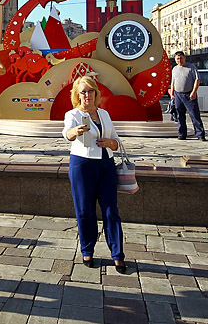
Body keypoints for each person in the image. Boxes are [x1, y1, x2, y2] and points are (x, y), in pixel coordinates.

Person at [63, 76, 127, 274]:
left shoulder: (104, 114)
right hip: (82, 164)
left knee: (111, 210)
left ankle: (117, 255)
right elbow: (67, 133)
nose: (87, 95)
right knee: (85, 210)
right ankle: (87, 250)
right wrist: (75, 131)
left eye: (90, 91)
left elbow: (117, 141)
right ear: (77, 95)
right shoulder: (72, 114)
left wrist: (110, 143)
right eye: (83, 92)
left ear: (96, 94)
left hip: (106, 164)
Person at [170, 51, 205, 141]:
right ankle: (182, 134)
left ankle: (200, 134)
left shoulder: (191, 67)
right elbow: (173, 81)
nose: (179, 60)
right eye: (177, 58)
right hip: (178, 95)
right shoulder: (174, 69)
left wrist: (193, 92)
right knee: (179, 115)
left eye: (181, 58)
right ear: (175, 59)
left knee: (194, 115)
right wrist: (172, 93)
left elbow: (197, 80)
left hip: (189, 94)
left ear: (184, 58)